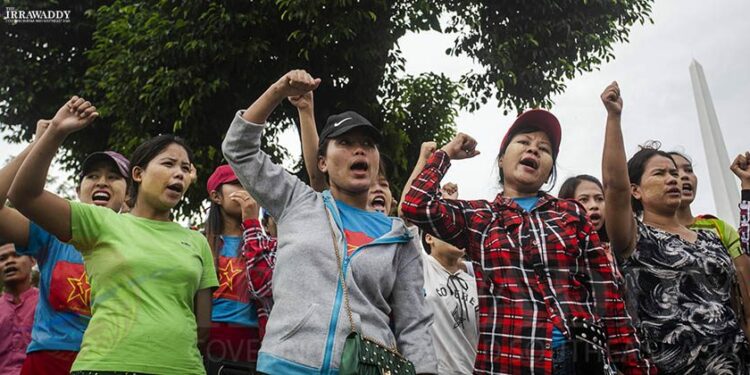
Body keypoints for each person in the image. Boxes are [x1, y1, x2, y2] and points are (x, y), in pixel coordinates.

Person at [401, 108, 654, 374]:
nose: (533, 150)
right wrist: (446, 154)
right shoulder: (478, 217)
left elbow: (607, 295)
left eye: (544, 149)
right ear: (501, 160)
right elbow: (414, 205)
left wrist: (634, 366)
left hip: (582, 359)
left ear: (548, 173)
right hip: (511, 362)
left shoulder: (571, 213)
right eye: (523, 142)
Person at [222, 70, 436, 374]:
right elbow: (238, 149)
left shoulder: (400, 238)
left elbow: (414, 326)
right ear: (322, 162)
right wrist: (278, 90)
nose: (359, 149)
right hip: (284, 365)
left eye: (367, 144)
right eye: (345, 142)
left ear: (377, 163)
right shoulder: (296, 201)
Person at [8, 96, 219, 375]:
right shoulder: (101, 221)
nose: (178, 173)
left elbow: (203, 326)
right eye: (168, 163)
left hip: (184, 368)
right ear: (138, 174)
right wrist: (56, 132)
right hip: (107, 366)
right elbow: (23, 195)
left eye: (185, 168)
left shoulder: (197, 241)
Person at [601, 81, 749, 374]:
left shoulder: (712, 238)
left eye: (675, 172)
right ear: (636, 190)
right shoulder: (634, 238)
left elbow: (739, 304)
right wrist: (614, 117)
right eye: (659, 173)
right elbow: (614, 186)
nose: (673, 178)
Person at [0, 114, 129, 374]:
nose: (102, 181)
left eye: (113, 177)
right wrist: (40, 144)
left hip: (114, 360)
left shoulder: (140, 238)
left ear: (130, 194)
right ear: (79, 189)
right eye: (92, 176)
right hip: (49, 360)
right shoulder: (50, 233)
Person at [669, 151, 750, 336]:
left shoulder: (718, 227)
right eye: (673, 173)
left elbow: (747, 288)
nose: (683, 176)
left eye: (688, 170)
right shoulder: (647, 236)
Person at [204, 165, 261, 374]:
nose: (246, 189)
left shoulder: (268, 245)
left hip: (254, 343)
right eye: (237, 183)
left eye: (249, 183)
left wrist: (253, 223)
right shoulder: (199, 243)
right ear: (216, 196)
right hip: (210, 344)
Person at [421, 181, 479, 374]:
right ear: (429, 238)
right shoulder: (420, 267)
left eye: (460, 229)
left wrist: (452, 207)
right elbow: (407, 213)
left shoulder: (478, 282)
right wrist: (443, 204)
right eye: (447, 228)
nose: (456, 233)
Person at [558, 175, 621, 280]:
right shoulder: (561, 251)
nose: (594, 205)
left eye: (600, 199)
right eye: (583, 199)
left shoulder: (618, 250)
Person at [0, 240, 38, 374]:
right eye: (2, 258)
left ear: (32, 260)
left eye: (17, 255)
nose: (9, 261)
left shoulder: (47, 304)